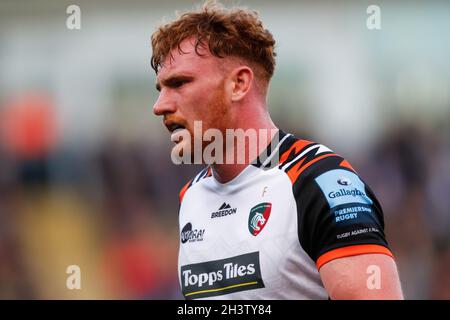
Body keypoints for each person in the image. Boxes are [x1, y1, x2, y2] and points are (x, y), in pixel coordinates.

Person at [150, 1, 403, 299]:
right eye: (160, 89)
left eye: (179, 83)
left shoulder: (319, 183)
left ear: (239, 84)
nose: (160, 106)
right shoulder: (191, 197)